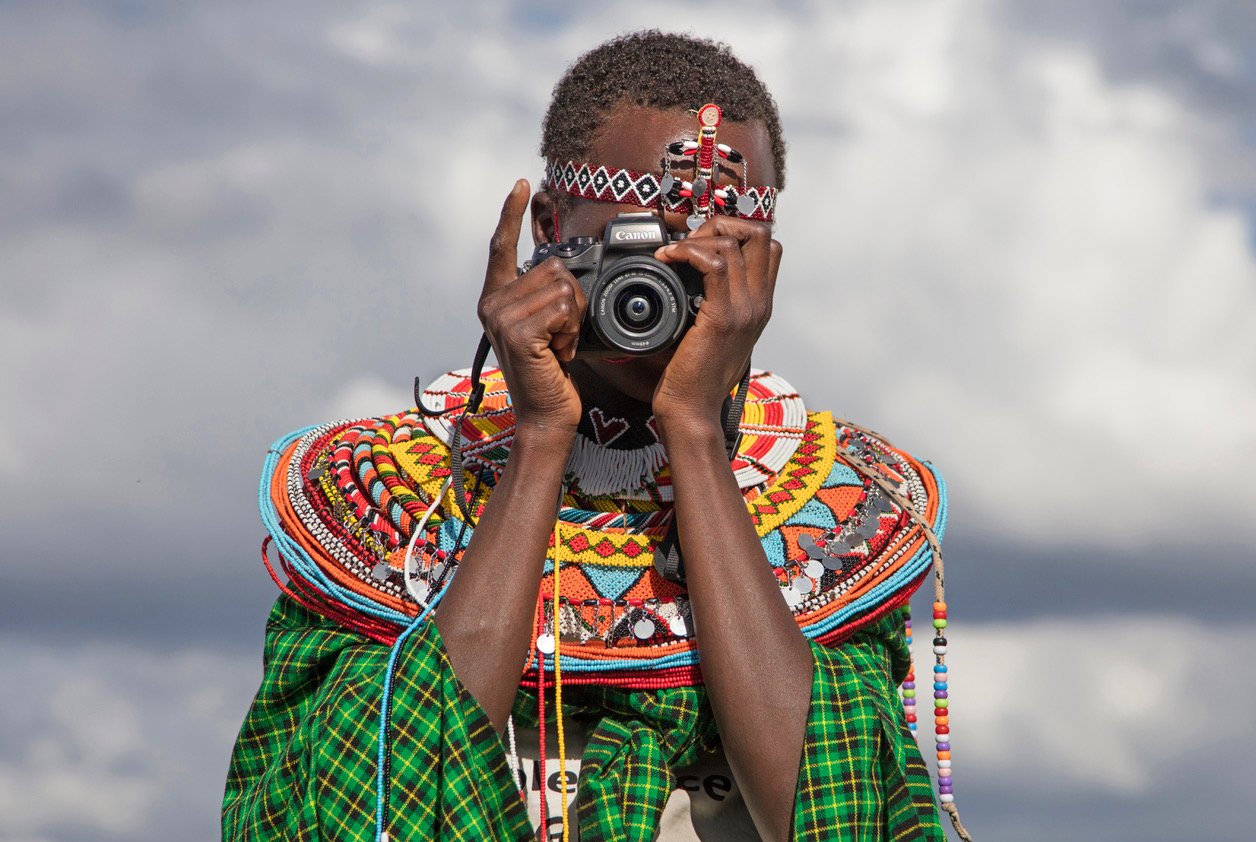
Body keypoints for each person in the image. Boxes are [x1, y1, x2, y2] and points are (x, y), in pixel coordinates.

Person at [224, 31, 963, 842]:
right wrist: (541, 435)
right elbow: (393, 800)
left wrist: (694, 430)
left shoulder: (846, 503)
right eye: (638, 245)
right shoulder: (385, 498)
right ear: (550, 223)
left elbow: (833, 816)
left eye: (719, 252)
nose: (674, 286)